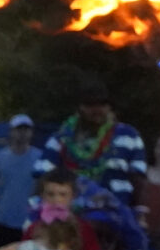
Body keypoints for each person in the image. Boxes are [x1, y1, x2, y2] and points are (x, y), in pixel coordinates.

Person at [38, 79, 147, 210]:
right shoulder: (61, 138)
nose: (97, 110)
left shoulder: (129, 135)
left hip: (116, 217)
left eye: (102, 104)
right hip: (71, 219)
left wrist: (140, 213)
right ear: (79, 107)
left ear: (109, 106)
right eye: (90, 105)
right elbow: (43, 177)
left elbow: (139, 180)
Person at [0, 114, 42, 247]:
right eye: (18, 129)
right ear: (11, 132)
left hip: (30, 222)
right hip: (2, 220)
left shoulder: (40, 158)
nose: (22, 133)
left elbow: (44, 188)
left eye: (26, 129)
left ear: (31, 133)